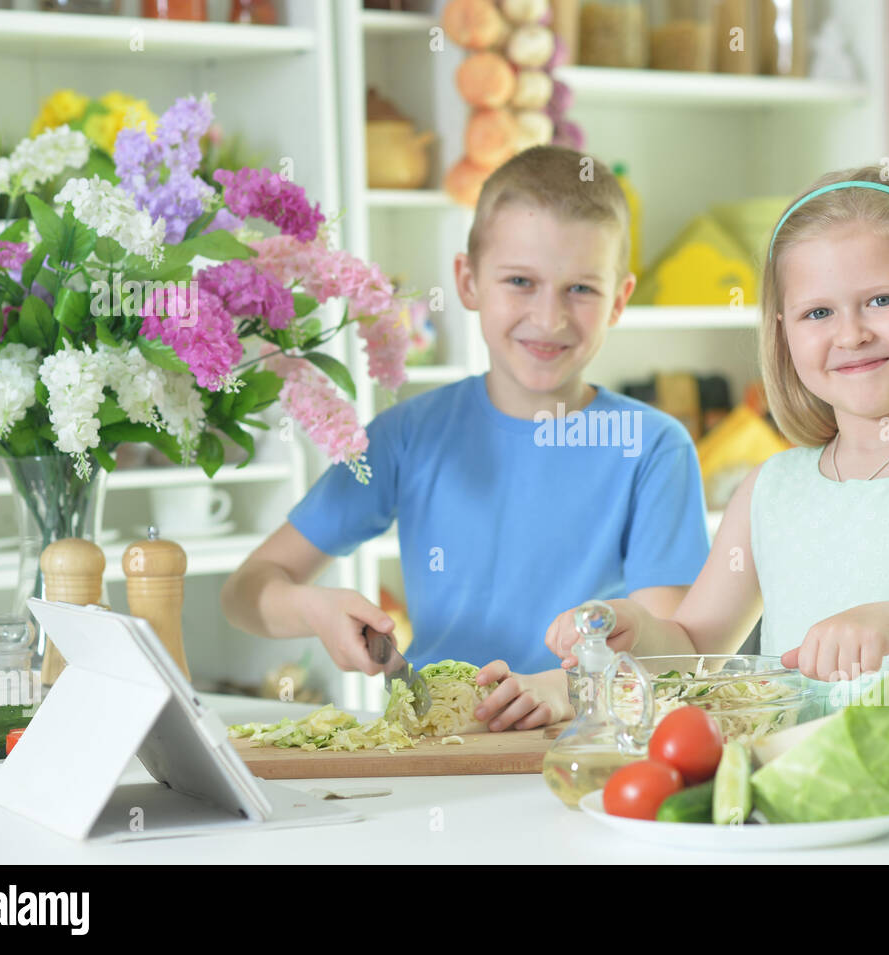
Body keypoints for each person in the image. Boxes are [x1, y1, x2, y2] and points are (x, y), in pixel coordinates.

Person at [545, 163, 889, 771]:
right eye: (818, 314)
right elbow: (697, 649)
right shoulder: (770, 489)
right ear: (783, 333)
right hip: (793, 789)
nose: (853, 333)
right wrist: (637, 632)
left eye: (882, 300)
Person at [221, 146, 710, 732]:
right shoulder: (408, 435)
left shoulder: (654, 447)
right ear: (468, 280)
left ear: (620, 300)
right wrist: (315, 608)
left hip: (590, 755)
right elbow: (247, 591)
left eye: (581, 289)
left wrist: (566, 688)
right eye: (520, 281)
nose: (549, 318)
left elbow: (669, 653)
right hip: (434, 748)